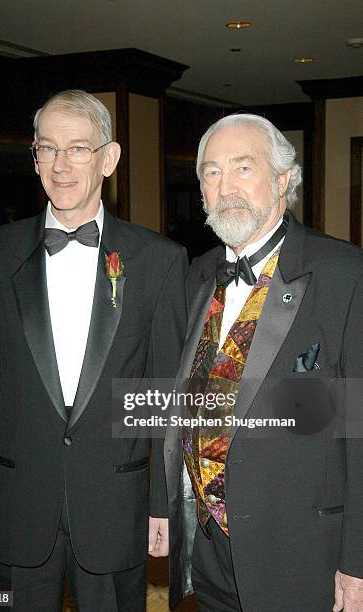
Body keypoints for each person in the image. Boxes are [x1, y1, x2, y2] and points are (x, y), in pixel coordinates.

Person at [0, 89, 188, 611]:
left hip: (117, 507)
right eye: (47, 148)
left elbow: (163, 397)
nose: (60, 165)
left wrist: (161, 503)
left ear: (109, 158)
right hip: (17, 504)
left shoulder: (158, 261)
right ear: (35, 157)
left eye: (78, 148)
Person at [164, 113, 363, 612]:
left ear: (283, 181)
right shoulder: (198, 273)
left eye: (242, 168)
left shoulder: (345, 274)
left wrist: (357, 563)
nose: (224, 185)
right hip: (209, 550)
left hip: (301, 554)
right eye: (211, 172)